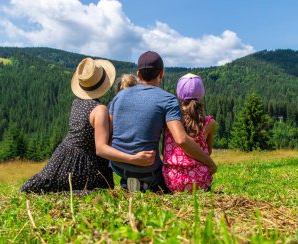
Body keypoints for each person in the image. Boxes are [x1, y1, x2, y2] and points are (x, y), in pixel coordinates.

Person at [20, 58, 155, 194]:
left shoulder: (77, 103)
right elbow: (101, 149)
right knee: (98, 192)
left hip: (61, 159)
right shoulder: (100, 109)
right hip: (83, 166)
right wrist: (134, 158)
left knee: (39, 189)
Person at [108, 51, 217, 192]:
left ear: (139, 75)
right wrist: (210, 163)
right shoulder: (167, 99)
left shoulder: (119, 97)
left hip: (119, 166)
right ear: (162, 73)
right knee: (162, 178)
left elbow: (110, 136)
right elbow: (181, 139)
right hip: (148, 167)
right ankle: (146, 183)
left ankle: (129, 181)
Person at [163, 73, 216, 192]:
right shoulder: (210, 122)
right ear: (201, 94)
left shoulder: (171, 120)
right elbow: (209, 151)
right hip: (200, 181)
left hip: (172, 180)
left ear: (179, 93)